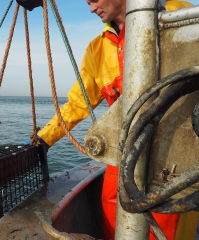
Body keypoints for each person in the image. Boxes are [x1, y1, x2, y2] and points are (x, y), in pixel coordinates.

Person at [17, 0, 197, 239]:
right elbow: (78, 104)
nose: (91, 8)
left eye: (94, 0)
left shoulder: (182, 14)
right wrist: (45, 140)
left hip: (175, 159)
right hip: (122, 157)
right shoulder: (97, 50)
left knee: (169, 226)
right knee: (114, 218)